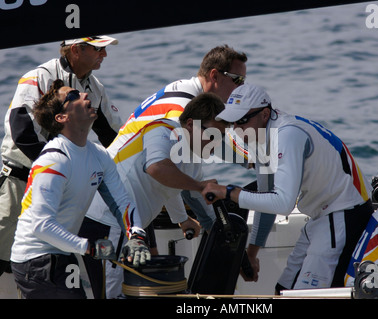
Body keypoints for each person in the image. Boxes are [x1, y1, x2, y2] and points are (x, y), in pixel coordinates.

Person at [202, 83, 374, 291]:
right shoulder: (259, 136)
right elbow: (268, 200)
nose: (237, 130)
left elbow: (283, 203)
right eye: (233, 123)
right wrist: (251, 254)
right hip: (321, 216)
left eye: (243, 121)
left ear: (265, 114)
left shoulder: (287, 135)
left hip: (345, 214)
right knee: (282, 290)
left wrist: (229, 193)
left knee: (304, 296)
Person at [9, 80, 150, 299]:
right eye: (73, 95)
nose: (85, 94)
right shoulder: (54, 161)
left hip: (64, 254)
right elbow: (40, 225)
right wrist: (90, 247)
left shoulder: (99, 155)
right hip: (35, 260)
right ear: (61, 118)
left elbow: (122, 202)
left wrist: (137, 236)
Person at [0, 35, 123, 277]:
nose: (105, 55)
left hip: (59, 188)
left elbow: (114, 137)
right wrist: (61, 167)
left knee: (42, 265)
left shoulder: (95, 88)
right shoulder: (38, 77)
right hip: (18, 183)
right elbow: (22, 132)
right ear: (75, 50)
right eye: (99, 49)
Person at [86, 92, 228, 298]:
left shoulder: (190, 157)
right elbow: (157, 169)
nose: (216, 143)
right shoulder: (162, 129)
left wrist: (182, 219)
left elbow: (169, 186)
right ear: (190, 124)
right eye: (212, 135)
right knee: (111, 294)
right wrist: (198, 186)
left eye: (221, 138)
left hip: (126, 227)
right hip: (107, 220)